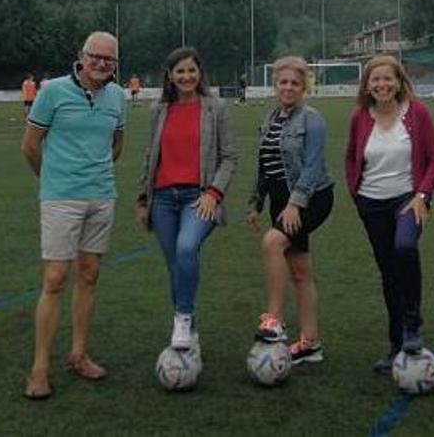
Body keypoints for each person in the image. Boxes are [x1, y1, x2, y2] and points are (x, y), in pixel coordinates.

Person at [22, 32, 127, 400]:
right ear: (80, 57)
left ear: (115, 64)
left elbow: (117, 142)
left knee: (89, 275)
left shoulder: (117, 96)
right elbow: (30, 146)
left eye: (109, 59)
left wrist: (95, 171)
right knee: (54, 279)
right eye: (95, 57)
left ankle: (78, 355)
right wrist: (52, 180)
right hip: (60, 198)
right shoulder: (52, 92)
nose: (101, 64)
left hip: (101, 196)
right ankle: (39, 369)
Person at [135, 47, 238, 352]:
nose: (186, 76)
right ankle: (188, 329)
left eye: (191, 70)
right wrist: (143, 199)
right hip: (163, 199)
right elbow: (150, 157)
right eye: (179, 71)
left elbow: (230, 157)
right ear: (170, 76)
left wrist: (213, 193)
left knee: (186, 247)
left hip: (199, 197)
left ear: (200, 73)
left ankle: (182, 317)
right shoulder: (159, 110)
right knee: (176, 266)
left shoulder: (215, 107)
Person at [344, 55, 434, 374]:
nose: (382, 85)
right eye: (376, 80)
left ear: (399, 82)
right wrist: (357, 195)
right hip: (371, 204)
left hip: (407, 200)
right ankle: (396, 344)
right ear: (367, 85)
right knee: (388, 273)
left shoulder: (417, 114)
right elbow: (350, 160)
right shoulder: (360, 117)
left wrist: (422, 196)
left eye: (388, 79)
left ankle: (412, 326)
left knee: (404, 248)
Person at [245, 56, 334, 365]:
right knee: (299, 271)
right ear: (275, 85)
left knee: (272, 243)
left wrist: (296, 204)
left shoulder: (312, 119)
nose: (288, 87)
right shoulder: (268, 119)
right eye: (283, 82)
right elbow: (265, 167)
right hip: (280, 201)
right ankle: (310, 343)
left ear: (304, 86)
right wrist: (256, 202)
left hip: (312, 198)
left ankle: (274, 321)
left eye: (295, 83)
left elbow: (312, 167)